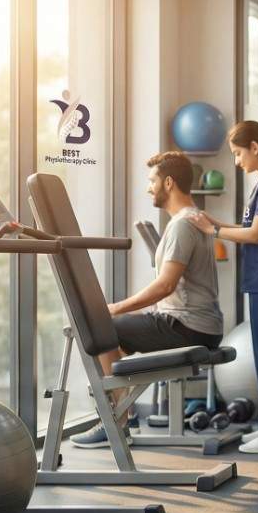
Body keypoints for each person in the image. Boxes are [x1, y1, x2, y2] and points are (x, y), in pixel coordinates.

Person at [73, 151, 224, 448]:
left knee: (98, 328)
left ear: (168, 183)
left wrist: (114, 308)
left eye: (152, 181)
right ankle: (120, 414)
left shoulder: (183, 225)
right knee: (113, 338)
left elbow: (165, 285)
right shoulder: (196, 218)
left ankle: (116, 423)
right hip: (201, 325)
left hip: (186, 326)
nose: (148, 187)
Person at [191, 120, 258, 454]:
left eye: (238, 153)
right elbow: (247, 227)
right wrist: (214, 223)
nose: (237, 161)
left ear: (255, 148)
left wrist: (214, 233)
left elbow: (255, 235)